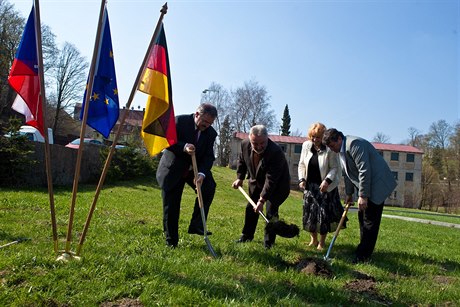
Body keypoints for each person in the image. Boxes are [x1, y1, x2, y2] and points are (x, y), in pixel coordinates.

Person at [322, 128, 397, 263]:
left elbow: (364, 170)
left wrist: (362, 195)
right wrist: (349, 194)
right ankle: (363, 248)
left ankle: (363, 256)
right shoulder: (341, 150)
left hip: (378, 184)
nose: (332, 149)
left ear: (339, 139)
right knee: (362, 216)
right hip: (369, 184)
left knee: (370, 219)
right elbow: (347, 173)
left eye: (332, 146)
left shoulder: (354, 144)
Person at [156, 103, 218, 247]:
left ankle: (196, 225)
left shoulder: (211, 133)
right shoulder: (179, 122)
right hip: (173, 169)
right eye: (204, 121)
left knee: (209, 187)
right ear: (197, 114)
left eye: (210, 123)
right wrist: (183, 147)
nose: (207, 125)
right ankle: (171, 241)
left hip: (192, 171)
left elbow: (209, 156)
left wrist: (202, 174)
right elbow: (166, 141)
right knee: (171, 206)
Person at [232, 125, 291, 249]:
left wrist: (262, 200)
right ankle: (247, 235)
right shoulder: (244, 144)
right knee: (251, 208)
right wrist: (240, 178)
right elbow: (242, 161)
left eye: (262, 143)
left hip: (277, 186)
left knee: (271, 211)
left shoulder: (275, 152)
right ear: (249, 139)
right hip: (256, 182)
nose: (259, 147)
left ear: (267, 138)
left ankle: (269, 243)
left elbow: (271, 180)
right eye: (255, 143)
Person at [298, 122, 345, 251]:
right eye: (312, 136)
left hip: (325, 187)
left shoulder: (329, 148)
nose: (315, 140)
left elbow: (335, 168)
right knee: (310, 214)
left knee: (323, 216)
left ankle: (322, 242)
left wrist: (327, 181)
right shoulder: (306, 146)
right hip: (310, 187)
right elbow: (302, 164)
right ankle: (313, 239)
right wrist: (302, 179)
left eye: (318, 137)